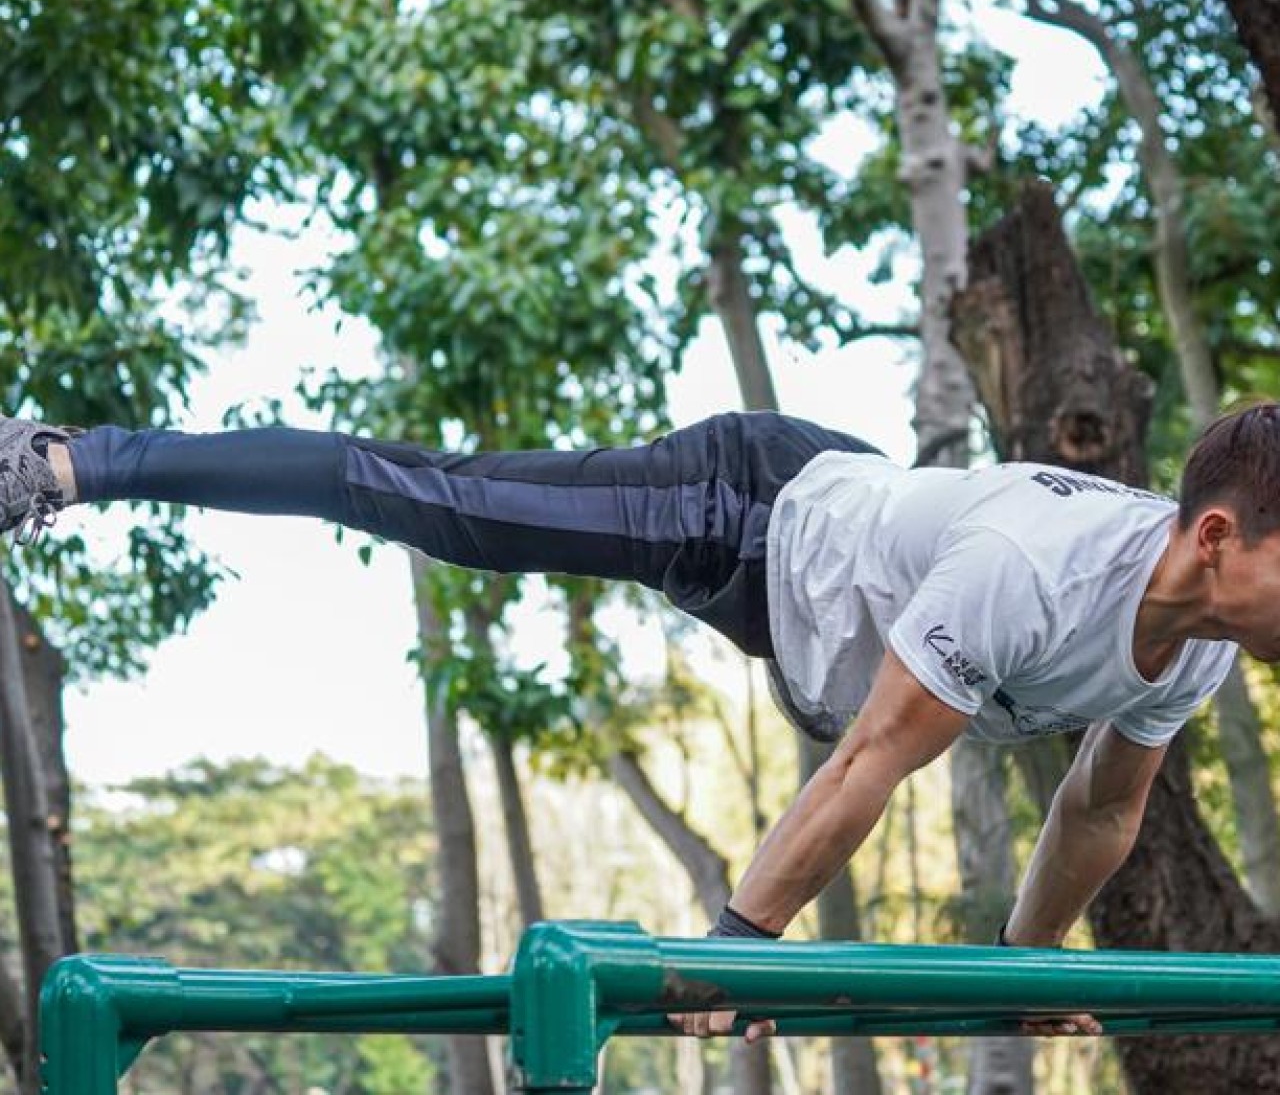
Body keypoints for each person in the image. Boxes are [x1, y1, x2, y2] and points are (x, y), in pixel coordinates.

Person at [1, 404, 1270, 1040]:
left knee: (445, 503)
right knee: (439, 503)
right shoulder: (1030, 570)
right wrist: (734, 949)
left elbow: (1100, 804)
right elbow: (870, 760)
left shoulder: (1190, 648)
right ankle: (71, 460)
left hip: (843, 535)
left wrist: (1027, 967)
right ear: (1214, 537)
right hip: (739, 509)